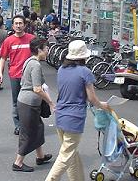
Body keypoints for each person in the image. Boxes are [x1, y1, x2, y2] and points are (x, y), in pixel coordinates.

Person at [45, 40, 110, 181]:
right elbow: (92, 98)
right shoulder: (85, 72)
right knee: (66, 155)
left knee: (71, 154)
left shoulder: (62, 69)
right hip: (74, 117)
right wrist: (103, 105)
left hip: (60, 114)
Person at [12, 38, 54, 172]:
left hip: (27, 102)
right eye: (46, 48)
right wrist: (50, 102)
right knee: (28, 132)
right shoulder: (35, 65)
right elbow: (37, 88)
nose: (48, 50)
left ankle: (40, 156)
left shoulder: (29, 61)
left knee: (38, 128)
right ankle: (18, 163)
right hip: (28, 103)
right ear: (39, 50)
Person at [0, 15, 35, 135]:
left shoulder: (32, 39)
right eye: (16, 23)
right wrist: (0, 73)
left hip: (29, 76)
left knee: (31, 101)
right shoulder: (8, 41)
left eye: (20, 23)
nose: (18, 26)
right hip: (15, 75)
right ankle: (18, 125)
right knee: (16, 101)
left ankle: (29, 124)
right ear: (13, 26)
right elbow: (3, 58)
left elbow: (39, 54)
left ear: (25, 25)